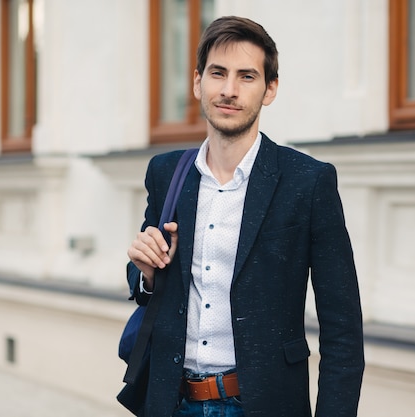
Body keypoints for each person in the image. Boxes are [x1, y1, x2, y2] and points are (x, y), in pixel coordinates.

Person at [125, 15, 364, 417]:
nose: (230, 90)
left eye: (247, 76)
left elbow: (342, 330)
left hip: (262, 403)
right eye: (218, 73)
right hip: (171, 400)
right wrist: (145, 274)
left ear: (270, 89)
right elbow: (145, 279)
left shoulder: (308, 181)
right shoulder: (166, 173)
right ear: (199, 82)